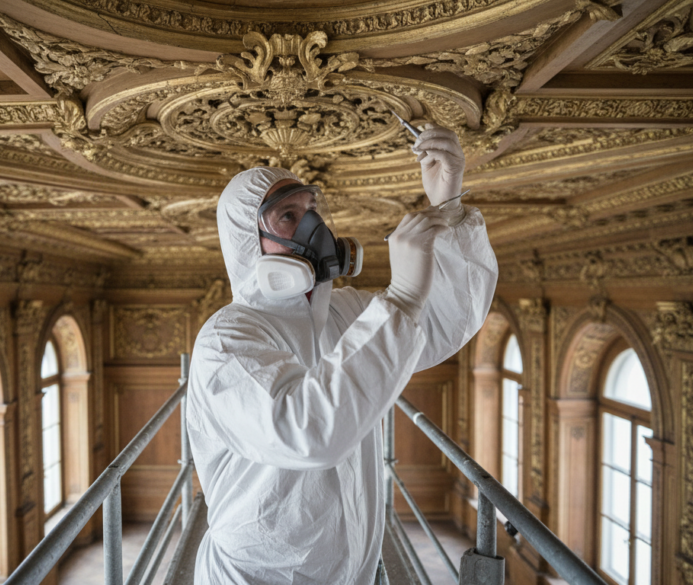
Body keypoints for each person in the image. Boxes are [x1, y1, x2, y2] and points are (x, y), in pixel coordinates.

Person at [185, 125, 498, 584]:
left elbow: (444, 322)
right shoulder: (227, 339)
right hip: (256, 576)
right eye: (287, 217)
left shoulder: (342, 312)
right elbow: (307, 432)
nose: (314, 229)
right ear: (247, 240)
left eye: (311, 210)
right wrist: (401, 298)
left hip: (352, 570)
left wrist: (447, 207)